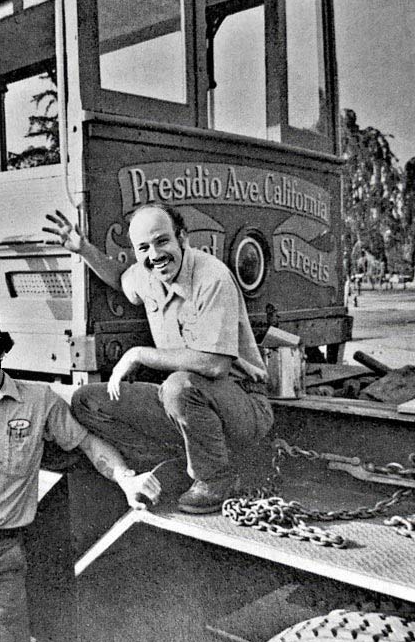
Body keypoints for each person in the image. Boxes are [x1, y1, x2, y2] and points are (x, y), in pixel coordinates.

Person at [0, 304, 160, 642]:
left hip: (0, 560)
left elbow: (87, 443)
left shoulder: (37, 401)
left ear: (2, 350)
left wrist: (126, 479)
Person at [43, 204, 274, 513]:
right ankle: (181, 461)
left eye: (162, 241)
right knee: (87, 402)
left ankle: (216, 478)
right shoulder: (148, 274)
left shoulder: (212, 278)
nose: (154, 254)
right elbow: (121, 278)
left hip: (242, 407)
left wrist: (139, 354)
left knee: (179, 387)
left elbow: (215, 365)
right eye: (143, 248)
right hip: (190, 406)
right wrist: (84, 249)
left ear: (183, 238)